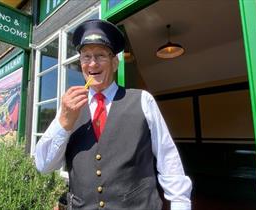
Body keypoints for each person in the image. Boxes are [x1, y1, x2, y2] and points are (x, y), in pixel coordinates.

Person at [35, 19, 192, 210]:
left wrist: (180, 204)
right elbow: (43, 166)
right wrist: (64, 122)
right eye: (86, 56)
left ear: (115, 62)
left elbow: (168, 158)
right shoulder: (68, 108)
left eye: (100, 55)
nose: (92, 63)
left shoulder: (143, 100)